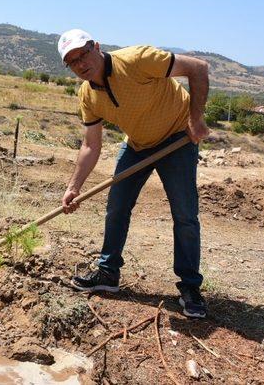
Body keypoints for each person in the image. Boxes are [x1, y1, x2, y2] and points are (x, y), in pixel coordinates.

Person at [57, 29, 210, 318]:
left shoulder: (138, 59)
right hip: (137, 145)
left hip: (178, 139)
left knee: (185, 215)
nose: (80, 63)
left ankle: (190, 287)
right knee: (117, 207)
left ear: (96, 47)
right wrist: (73, 187)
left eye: (83, 53)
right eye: (72, 61)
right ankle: (108, 273)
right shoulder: (88, 94)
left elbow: (198, 68)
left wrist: (195, 118)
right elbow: (91, 144)